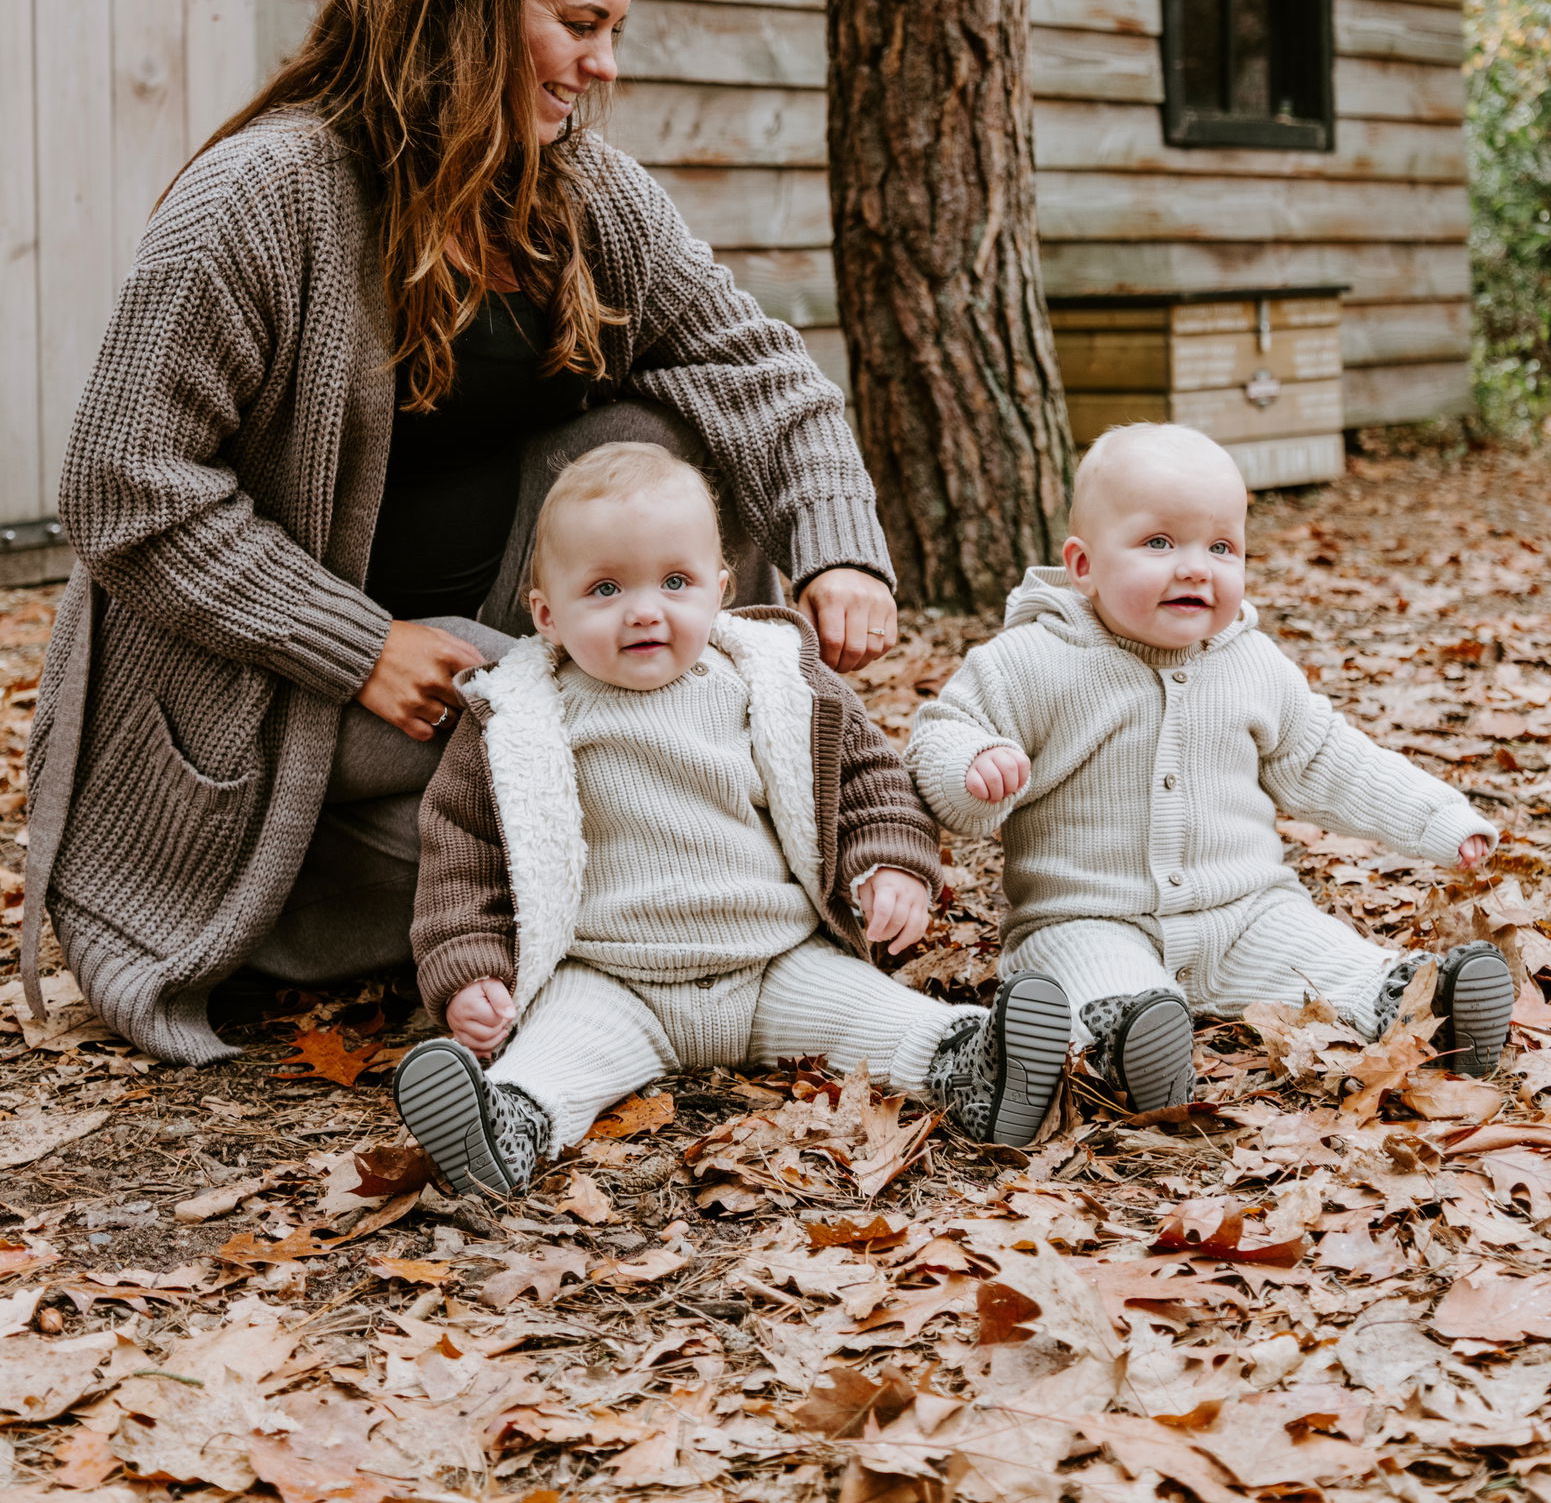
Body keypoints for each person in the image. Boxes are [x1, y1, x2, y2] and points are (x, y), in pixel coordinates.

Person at [25, 0, 907, 1067]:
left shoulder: (582, 190)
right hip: (297, 700)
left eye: (616, 32)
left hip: (507, 663)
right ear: (468, 0)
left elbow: (760, 373)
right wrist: (358, 647)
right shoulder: (264, 198)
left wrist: (839, 553)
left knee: (656, 439)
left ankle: (663, 866)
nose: (603, 67)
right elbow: (122, 484)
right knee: (620, 835)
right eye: (578, 24)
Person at [391, 442, 1073, 1189]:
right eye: (605, 589)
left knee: (880, 1016)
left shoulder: (775, 679)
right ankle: (504, 1127)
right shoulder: (518, 715)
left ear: (719, 588)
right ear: (546, 613)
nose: (645, 610)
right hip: (613, 979)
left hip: (776, 960)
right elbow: (463, 857)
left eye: (675, 581)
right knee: (554, 1057)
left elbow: (867, 779)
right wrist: (470, 976)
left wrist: (890, 865)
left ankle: (977, 1068)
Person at [905, 422, 1514, 1114]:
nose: (1196, 567)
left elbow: (1329, 758)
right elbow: (939, 738)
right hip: (1090, 916)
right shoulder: (1030, 661)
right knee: (1101, 977)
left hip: (1246, 911)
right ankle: (1133, 1044)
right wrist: (974, 768)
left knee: (1325, 956)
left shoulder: (1251, 664)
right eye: (1159, 543)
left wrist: (1438, 817)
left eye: (1222, 547)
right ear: (1083, 565)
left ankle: (1422, 1006)